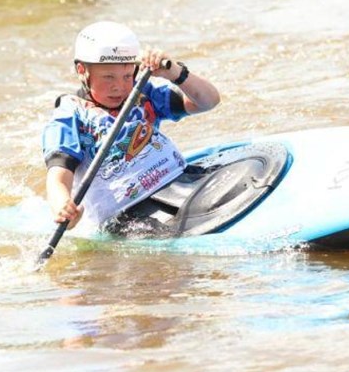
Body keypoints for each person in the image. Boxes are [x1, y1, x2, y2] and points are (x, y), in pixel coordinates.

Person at [42, 21, 221, 232]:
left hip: (176, 180)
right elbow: (58, 177)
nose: (119, 86)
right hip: (128, 213)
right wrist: (63, 206)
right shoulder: (69, 117)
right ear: (82, 70)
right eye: (108, 77)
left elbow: (208, 101)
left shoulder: (143, 92)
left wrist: (174, 72)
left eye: (127, 76)